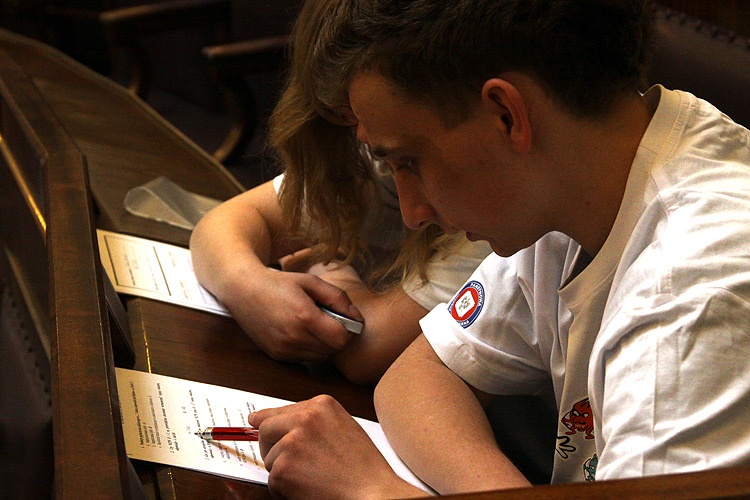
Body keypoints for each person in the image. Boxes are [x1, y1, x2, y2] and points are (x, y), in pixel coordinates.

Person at [245, 0, 750, 498]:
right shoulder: (577, 182)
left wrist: (373, 491)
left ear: (507, 115)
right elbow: (419, 377)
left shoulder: (693, 295)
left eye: (409, 161)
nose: (413, 212)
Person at [189, 0, 491, 385]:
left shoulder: (492, 205)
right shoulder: (387, 153)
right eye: (346, 119)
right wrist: (248, 286)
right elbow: (223, 222)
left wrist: (329, 267)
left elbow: (368, 351)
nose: (361, 134)